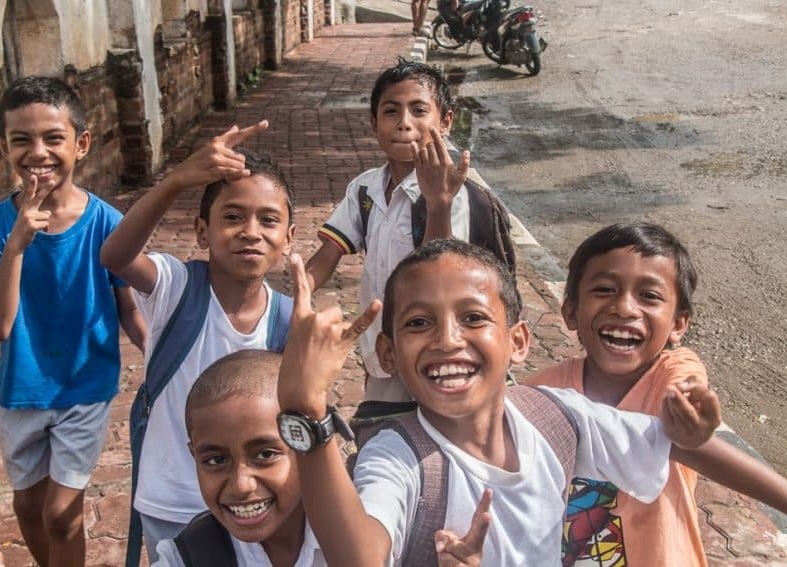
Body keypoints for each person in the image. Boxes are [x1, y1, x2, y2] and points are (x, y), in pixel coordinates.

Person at [276, 239, 722, 565]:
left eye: (473, 318)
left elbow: (663, 441)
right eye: (418, 323)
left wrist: (692, 429)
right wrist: (307, 416)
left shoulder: (553, 415)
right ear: (388, 355)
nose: (448, 340)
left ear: (518, 341)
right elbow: (360, 559)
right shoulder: (398, 458)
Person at [525, 222, 787, 566]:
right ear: (570, 310)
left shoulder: (670, 376)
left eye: (649, 295)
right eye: (604, 289)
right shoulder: (542, 394)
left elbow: (685, 394)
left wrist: (692, 426)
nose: (624, 308)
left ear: (679, 324)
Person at [0, 76, 145, 567]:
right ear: (3, 146)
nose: (37, 152)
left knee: (62, 513)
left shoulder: (107, 222)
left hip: (85, 385)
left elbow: (128, 306)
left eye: (52, 138)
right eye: (21, 140)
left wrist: (162, 357)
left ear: (81, 144)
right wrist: (17, 244)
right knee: (29, 505)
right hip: (20, 388)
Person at [100, 123, 297, 564]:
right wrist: (177, 180)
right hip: (173, 497)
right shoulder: (175, 287)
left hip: (251, 500)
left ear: (288, 239)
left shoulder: (287, 318)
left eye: (268, 220)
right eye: (232, 217)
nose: (250, 231)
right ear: (202, 232)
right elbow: (115, 256)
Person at [306, 59, 477, 403]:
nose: (404, 124)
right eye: (391, 112)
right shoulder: (365, 189)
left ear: (444, 123)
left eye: (418, 111)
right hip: (380, 347)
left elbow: (441, 272)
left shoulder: (453, 193)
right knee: (379, 422)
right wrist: (291, 296)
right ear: (373, 123)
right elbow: (328, 253)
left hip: (435, 348)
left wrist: (439, 203)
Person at [150, 350, 325, 566]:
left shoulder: (359, 534)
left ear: (305, 448)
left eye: (265, 454)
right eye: (216, 460)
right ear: (194, 455)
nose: (241, 485)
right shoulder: (188, 557)